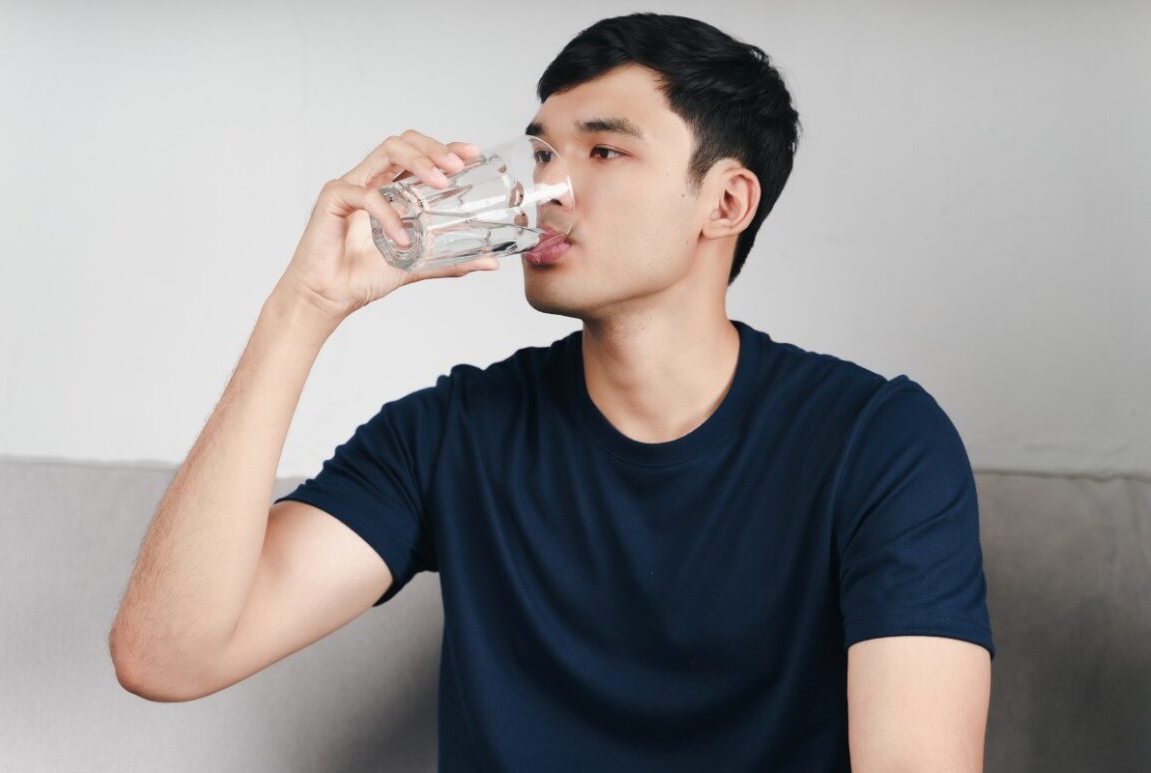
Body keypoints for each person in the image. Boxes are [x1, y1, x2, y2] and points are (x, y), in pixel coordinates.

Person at [109, 12, 994, 772]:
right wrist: (303, 307)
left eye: (603, 150)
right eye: (539, 152)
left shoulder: (878, 442)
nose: (544, 188)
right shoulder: (452, 433)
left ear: (725, 202)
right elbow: (166, 655)